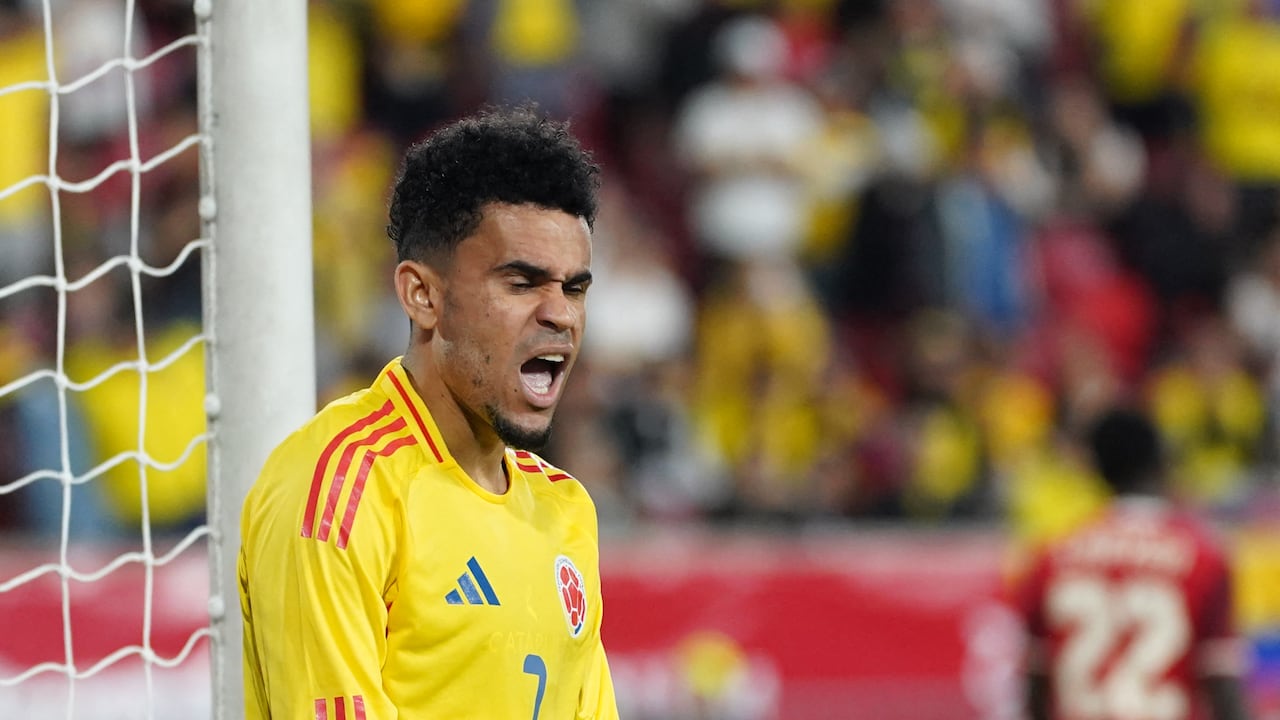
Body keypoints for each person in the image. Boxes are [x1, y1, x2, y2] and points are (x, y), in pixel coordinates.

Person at [238, 106, 618, 719]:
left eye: (574, 288)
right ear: (423, 295)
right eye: (522, 283)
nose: (562, 315)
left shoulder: (565, 509)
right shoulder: (340, 487)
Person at [1016, 406, 1251, 720]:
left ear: (1097, 469)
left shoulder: (1053, 556)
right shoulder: (1201, 556)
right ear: (1160, 462)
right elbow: (1222, 687)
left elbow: (1036, 690)